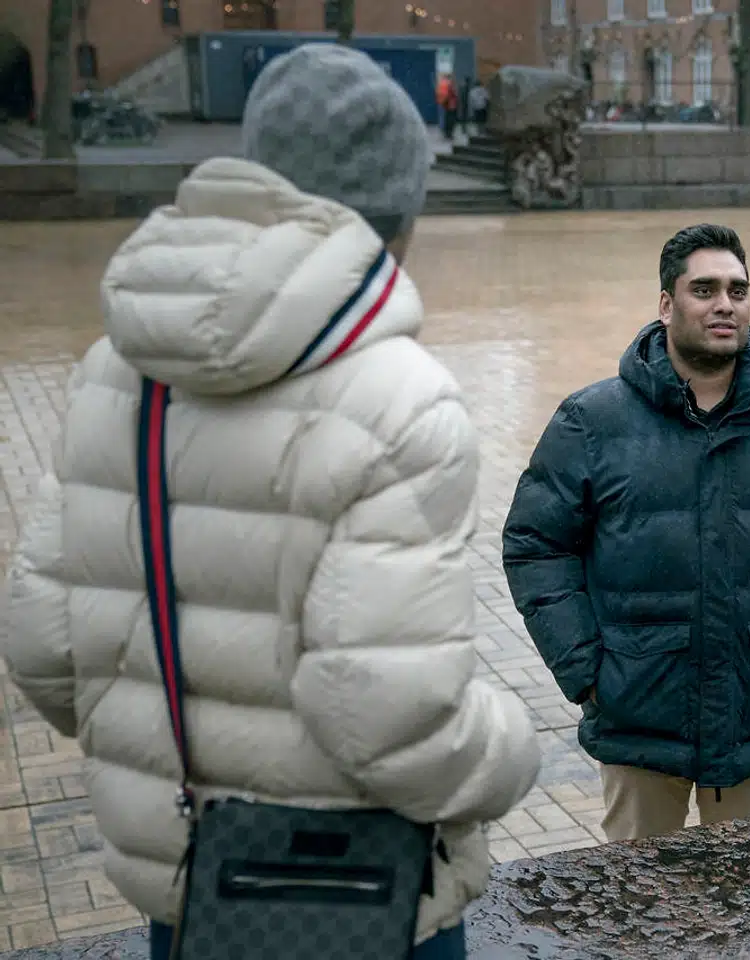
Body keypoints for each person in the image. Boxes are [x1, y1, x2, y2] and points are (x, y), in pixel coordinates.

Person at [3, 44, 540, 960]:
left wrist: (176, 747)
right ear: (399, 215)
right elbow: (392, 721)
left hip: (194, 892)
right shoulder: (400, 402)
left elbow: (43, 646)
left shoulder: (117, 373)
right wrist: (511, 752)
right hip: (367, 900)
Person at [502, 224, 750, 841]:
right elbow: (536, 545)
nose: (724, 304)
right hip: (638, 717)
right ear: (666, 304)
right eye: (704, 290)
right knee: (636, 895)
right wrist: (588, 670)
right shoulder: (593, 422)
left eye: (737, 290)